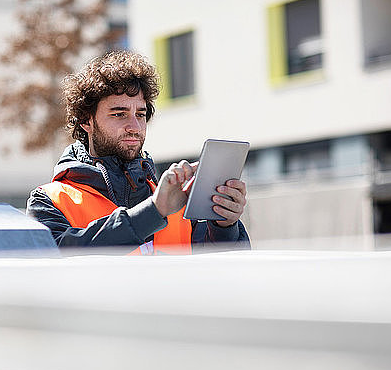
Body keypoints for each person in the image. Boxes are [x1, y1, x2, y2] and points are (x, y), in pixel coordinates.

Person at [26, 50, 250, 254]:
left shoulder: (175, 198)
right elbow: (57, 261)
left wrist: (224, 225)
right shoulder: (48, 200)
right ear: (86, 120)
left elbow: (223, 278)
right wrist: (153, 212)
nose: (134, 126)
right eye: (119, 114)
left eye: (140, 114)